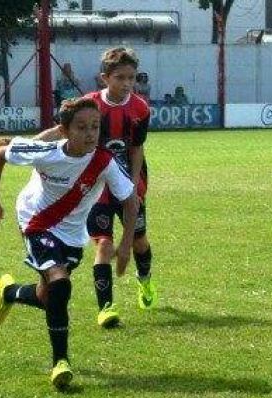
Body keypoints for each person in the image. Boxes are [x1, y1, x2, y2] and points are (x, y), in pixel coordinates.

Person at [0, 98, 138, 389]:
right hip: (35, 221)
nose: (91, 133)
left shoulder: (105, 162)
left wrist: (126, 243)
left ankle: (10, 292)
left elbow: (131, 200)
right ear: (64, 131)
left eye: (95, 126)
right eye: (81, 127)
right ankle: (61, 362)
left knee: (48, 295)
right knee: (60, 282)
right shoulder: (46, 152)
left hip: (72, 234)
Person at [36, 47, 157, 328]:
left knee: (138, 241)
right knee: (103, 242)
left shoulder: (140, 109)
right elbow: (60, 131)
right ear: (105, 78)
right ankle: (106, 308)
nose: (127, 83)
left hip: (129, 181)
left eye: (131, 77)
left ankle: (146, 280)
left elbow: (137, 149)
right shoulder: (89, 105)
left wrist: (134, 185)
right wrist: (27, 142)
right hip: (96, 184)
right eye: (120, 78)